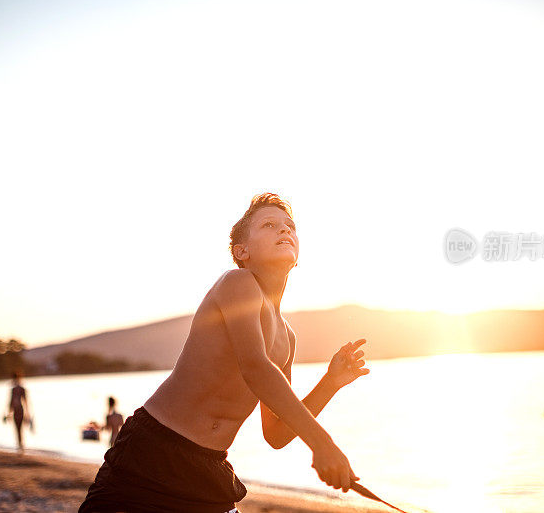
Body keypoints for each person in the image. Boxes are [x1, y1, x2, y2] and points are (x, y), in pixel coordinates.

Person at [79, 193, 371, 513]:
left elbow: (275, 433)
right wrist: (323, 445)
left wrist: (329, 383)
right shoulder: (239, 283)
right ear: (241, 251)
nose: (284, 230)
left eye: (290, 226)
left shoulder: (287, 337)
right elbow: (256, 368)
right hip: (152, 453)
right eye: (269, 225)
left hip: (207, 466)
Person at [5, 371, 31, 453]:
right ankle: (20, 445)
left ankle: (20, 445)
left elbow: (13, 402)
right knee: (19, 428)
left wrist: (27, 413)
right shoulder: (18, 389)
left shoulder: (17, 389)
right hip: (18, 409)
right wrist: (9, 413)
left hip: (18, 410)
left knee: (18, 428)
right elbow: (13, 401)